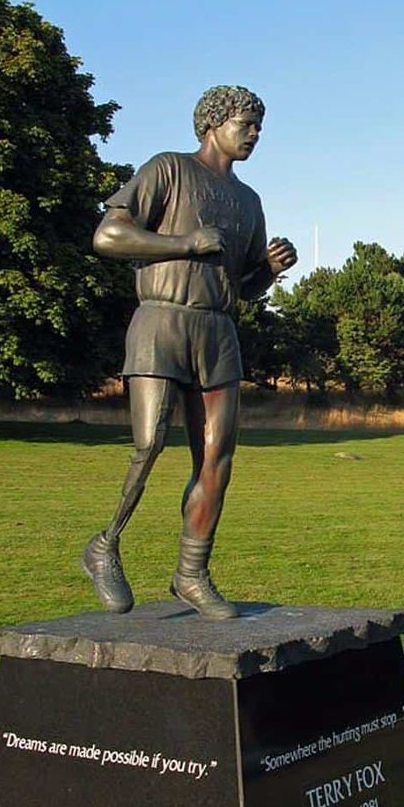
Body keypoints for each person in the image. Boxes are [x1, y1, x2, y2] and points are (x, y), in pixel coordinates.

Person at [81, 85, 297, 619]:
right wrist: (184, 243)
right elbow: (108, 237)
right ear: (213, 122)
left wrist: (267, 270)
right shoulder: (168, 170)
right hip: (161, 320)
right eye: (246, 123)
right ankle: (105, 544)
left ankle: (191, 574)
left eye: (259, 127)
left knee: (217, 459)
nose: (254, 134)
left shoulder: (250, 202)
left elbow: (243, 285)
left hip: (218, 331)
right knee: (149, 443)